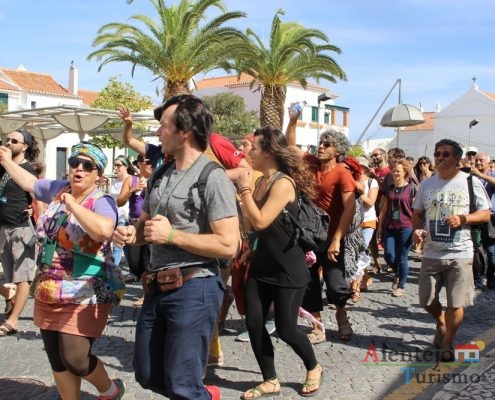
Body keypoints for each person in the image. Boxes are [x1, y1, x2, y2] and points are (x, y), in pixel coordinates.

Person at [113, 94, 239, 400]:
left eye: (163, 126)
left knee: (182, 384)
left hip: (195, 287)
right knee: (147, 372)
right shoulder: (160, 174)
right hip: (157, 286)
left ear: (185, 131)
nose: (158, 133)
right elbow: (146, 226)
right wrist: (132, 234)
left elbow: (229, 245)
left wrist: (173, 237)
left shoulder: (213, 177)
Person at [0, 141, 126, 399]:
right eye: (74, 163)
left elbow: (103, 230)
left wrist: (74, 206)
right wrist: (6, 161)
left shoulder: (102, 201)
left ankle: (110, 390)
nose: (79, 168)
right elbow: (29, 183)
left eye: (87, 165)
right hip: (49, 289)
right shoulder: (59, 188)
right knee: (57, 361)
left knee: (75, 359)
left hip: (85, 290)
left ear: (97, 174)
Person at [236, 126, 323, 399]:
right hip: (262, 264)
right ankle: (270, 379)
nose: (248, 151)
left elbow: (261, 219)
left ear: (268, 151)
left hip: (288, 268)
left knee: (286, 329)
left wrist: (245, 190)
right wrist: (251, 246)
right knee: (253, 322)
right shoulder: (261, 181)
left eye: (253, 146)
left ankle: (314, 367)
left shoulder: (283, 183)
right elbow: (255, 225)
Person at [412, 139, 490, 362]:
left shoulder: (470, 182)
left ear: (457, 158)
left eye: (446, 154)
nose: (440, 158)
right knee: (426, 300)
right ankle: (441, 322)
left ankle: (448, 342)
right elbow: (417, 213)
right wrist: (416, 230)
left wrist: (464, 218)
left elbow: (485, 214)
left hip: (460, 253)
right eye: (437, 154)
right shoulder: (427, 184)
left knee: (456, 303)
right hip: (431, 252)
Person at [0, 130, 40, 336]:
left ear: (24, 146)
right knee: (9, 277)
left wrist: (40, 222)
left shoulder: (27, 171)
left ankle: (13, 321)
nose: (8, 142)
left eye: (14, 141)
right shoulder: (2, 168)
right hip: (3, 228)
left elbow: (39, 198)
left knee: (22, 276)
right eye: (7, 139)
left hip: (22, 228)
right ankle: (10, 300)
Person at [379, 159, 415, 297]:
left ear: (405, 172)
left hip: (406, 226)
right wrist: (380, 226)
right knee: (389, 255)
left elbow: (417, 210)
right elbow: (383, 208)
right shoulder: (388, 189)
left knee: (402, 257)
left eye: (398, 171)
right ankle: (398, 273)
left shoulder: (411, 189)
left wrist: (418, 228)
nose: (394, 173)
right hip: (390, 226)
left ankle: (401, 286)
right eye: (393, 170)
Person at [472, 152, 495, 289]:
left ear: (487, 162)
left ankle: (491, 279)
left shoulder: (491, 175)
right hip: (475, 218)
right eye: (477, 160)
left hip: (491, 218)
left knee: (491, 251)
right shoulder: (471, 178)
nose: (478, 163)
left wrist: (481, 175)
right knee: (477, 250)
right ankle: (478, 280)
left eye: (481, 160)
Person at [108, 155, 133, 267]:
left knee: (118, 246)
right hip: (113, 216)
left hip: (124, 215)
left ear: (126, 166)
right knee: (116, 245)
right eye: (115, 165)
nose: (116, 168)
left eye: (119, 165)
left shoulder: (131, 179)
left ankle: (114, 271)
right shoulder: (114, 181)